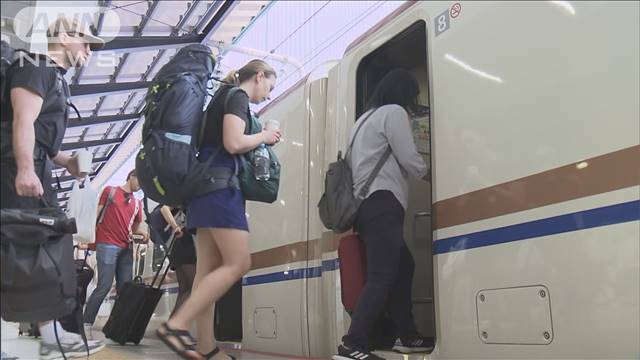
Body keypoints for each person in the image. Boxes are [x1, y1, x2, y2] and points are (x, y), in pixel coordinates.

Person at [156, 59, 281, 360]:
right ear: (259, 76)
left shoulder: (221, 99)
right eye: (269, 87)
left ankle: (206, 348)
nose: (268, 94)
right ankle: (177, 324)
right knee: (239, 263)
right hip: (220, 187)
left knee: (206, 272)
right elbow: (233, 142)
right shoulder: (237, 96)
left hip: (203, 190)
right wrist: (264, 136)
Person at [0, 16, 106, 359]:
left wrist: (67, 162)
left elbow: (43, 137)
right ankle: (48, 334)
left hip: (35, 165)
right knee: (20, 246)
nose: (89, 50)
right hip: (15, 165)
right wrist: (26, 169)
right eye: (85, 42)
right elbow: (22, 119)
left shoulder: (55, 79)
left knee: (43, 246)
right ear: (62, 37)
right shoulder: (36, 67)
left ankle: (50, 334)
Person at [333, 69, 432, 360]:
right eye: (413, 95)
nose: (413, 101)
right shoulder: (394, 112)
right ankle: (352, 344)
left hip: (366, 207)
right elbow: (408, 156)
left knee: (404, 266)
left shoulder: (361, 122)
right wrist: (434, 175)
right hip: (383, 203)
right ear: (403, 92)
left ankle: (408, 336)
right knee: (381, 276)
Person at [82, 169, 148, 339]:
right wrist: (88, 237)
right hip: (107, 244)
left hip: (126, 248)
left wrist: (144, 233)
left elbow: (135, 227)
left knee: (124, 291)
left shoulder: (137, 204)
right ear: (131, 176)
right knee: (104, 286)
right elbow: (96, 216)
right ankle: (86, 324)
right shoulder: (110, 191)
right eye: (140, 181)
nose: (140, 186)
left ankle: (117, 328)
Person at [156, 205, 197, 316]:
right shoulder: (183, 195)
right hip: (184, 245)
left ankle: (171, 325)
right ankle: (172, 326)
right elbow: (164, 208)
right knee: (193, 287)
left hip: (178, 247)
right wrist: (175, 227)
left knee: (185, 289)